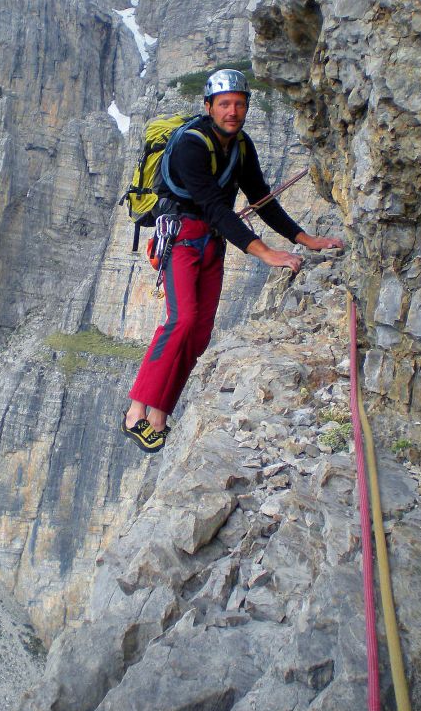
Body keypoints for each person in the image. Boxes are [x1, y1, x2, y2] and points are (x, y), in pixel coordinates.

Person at [122, 68, 343, 454]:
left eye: (239, 104)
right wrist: (264, 252)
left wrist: (303, 239)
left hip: (212, 242)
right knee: (182, 321)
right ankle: (135, 412)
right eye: (224, 104)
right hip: (181, 237)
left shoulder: (242, 147)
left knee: (200, 332)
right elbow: (213, 208)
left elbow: (261, 199)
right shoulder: (192, 145)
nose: (232, 111)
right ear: (208, 107)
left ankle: (159, 415)